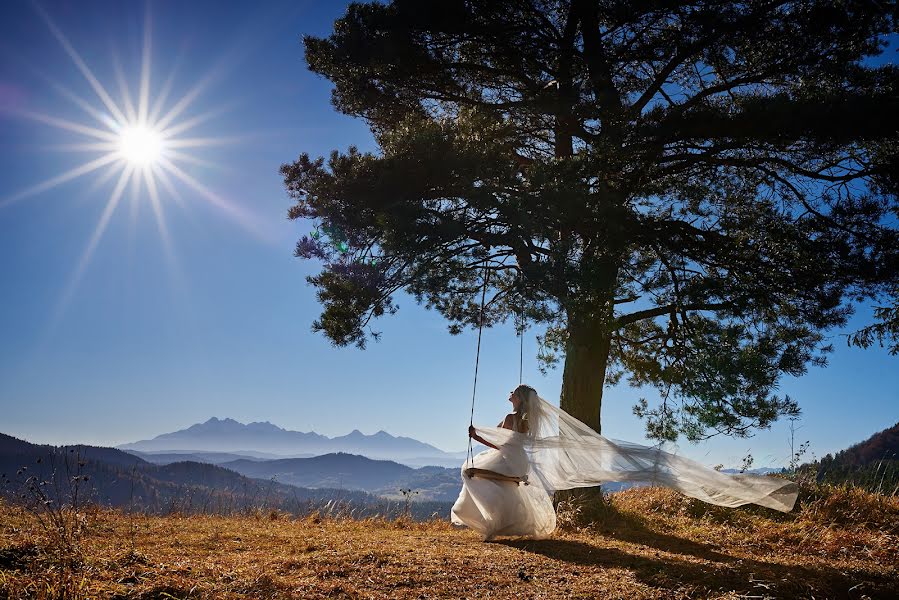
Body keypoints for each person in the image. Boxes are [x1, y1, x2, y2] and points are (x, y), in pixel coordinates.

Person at [451, 385, 798, 541]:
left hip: (508, 464)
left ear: (519, 398)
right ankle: (496, 525)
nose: (508, 395)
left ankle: (490, 524)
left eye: (512, 392)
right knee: (485, 476)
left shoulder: (514, 420)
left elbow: (501, 441)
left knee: (469, 471)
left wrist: (475, 435)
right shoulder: (525, 421)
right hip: (514, 467)